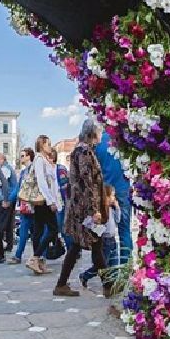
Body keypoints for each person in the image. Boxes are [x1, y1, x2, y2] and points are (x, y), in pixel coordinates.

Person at [56, 119, 112, 297]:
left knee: (86, 246)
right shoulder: (85, 152)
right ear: (92, 134)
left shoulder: (80, 150)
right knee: (92, 245)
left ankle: (63, 284)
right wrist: (95, 209)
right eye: (99, 132)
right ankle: (108, 286)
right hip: (85, 208)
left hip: (80, 207)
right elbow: (88, 183)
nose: (101, 136)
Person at [26, 135, 63, 275]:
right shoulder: (39, 160)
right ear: (42, 145)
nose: (50, 146)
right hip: (43, 201)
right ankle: (35, 257)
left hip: (45, 201)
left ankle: (39, 263)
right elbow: (42, 182)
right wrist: (51, 201)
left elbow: (53, 184)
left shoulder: (46, 160)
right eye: (48, 144)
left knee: (39, 230)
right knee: (53, 229)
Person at [95, 131, 132, 265]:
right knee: (124, 229)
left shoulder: (98, 141)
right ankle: (125, 264)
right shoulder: (123, 138)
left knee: (106, 231)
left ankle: (110, 263)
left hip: (106, 190)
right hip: (123, 187)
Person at [80, 184, 120, 288]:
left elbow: (117, 220)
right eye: (112, 196)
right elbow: (90, 223)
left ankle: (113, 283)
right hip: (104, 240)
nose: (113, 198)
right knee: (102, 265)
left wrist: (117, 208)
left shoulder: (111, 209)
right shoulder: (100, 211)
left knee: (114, 263)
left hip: (112, 238)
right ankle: (85, 275)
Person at [9, 148, 34, 264]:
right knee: (23, 230)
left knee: (37, 232)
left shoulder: (33, 169)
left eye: (23, 155)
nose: (21, 158)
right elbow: (18, 188)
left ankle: (39, 257)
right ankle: (18, 255)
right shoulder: (24, 172)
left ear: (29, 156)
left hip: (35, 205)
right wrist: (10, 199)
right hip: (25, 205)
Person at [0, 153, 18, 252]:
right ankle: (9, 245)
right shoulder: (8, 168)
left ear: (2, 160)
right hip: (10, 198)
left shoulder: (5, 169)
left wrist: (6, 199)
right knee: (8, 224)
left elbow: (1, 183)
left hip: (5, 199)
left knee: (1, 223)